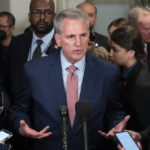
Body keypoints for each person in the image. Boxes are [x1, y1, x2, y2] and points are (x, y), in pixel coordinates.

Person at [9, 8, 129, 150]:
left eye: (83, 35)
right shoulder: (34, 71)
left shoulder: (108, 72)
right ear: (58, 39)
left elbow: (114, 111)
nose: (78, 43)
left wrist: (117, 126)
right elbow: (18, 109)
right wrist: (22, 127)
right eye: (71, 36)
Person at [109, 25, 150, 150]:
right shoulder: (119, 72)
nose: (110, 54)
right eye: (110, 48)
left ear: (131, 52)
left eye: (115, 50)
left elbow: (141, 126)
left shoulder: (142, 84)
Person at [8, 0, 57, 102]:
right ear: (29, 16)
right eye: (36, 12)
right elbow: (7, 81)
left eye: (48, 12)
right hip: (19, 110)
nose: (42, 17)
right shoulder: (17, 43)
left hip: (52, 112)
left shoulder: (64, 45)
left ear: (54, 16)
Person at [0, 11, 15, 129]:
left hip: (15, 94)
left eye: (3, 27)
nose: (0, 30)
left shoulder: (19, 45)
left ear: (12, 28)